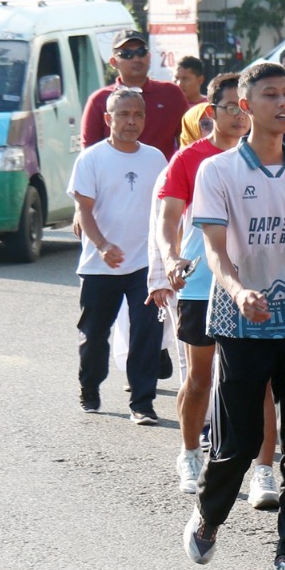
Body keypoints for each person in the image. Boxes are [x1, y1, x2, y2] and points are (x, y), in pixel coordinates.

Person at [180, 62, 285, 570]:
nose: (284, 103)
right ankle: (210, 513)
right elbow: (215, 254)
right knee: (239, 443)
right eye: (271, 95)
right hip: (240, 325)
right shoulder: (217, 172)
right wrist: (239, 290)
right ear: (246, 107)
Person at [153, 72, 250, 493]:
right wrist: (172, 256)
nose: (240, 115)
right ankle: (190, 452)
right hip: (200, 285)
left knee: (252, 379)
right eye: (231, 107)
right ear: (212, 112)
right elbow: (168, 218)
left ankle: (254, 464)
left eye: (245, 107)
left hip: (251, 284)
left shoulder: (264, 157)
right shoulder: (189, 159)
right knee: (200, 376)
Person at [69, 88, 169, 423]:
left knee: (146, 332)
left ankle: (142, 402)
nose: (131, 121)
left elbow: (167, 209)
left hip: (145, 263)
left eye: (138, 114)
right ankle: (90, 388)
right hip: (100, 265)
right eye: (124, 114)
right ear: (108, 119)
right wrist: (102, 245)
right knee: (95, 334)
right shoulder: (92, 158)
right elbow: (83, 210)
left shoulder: (156, 158)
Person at [81, 30, 189, 159]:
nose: (136, 59)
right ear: (113, 62)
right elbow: (89, 150)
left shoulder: (171, 94)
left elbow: (189, 139)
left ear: (149, 56)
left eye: (141, 52)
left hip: (161, 176)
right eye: (127, 54)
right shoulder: (99, 100)